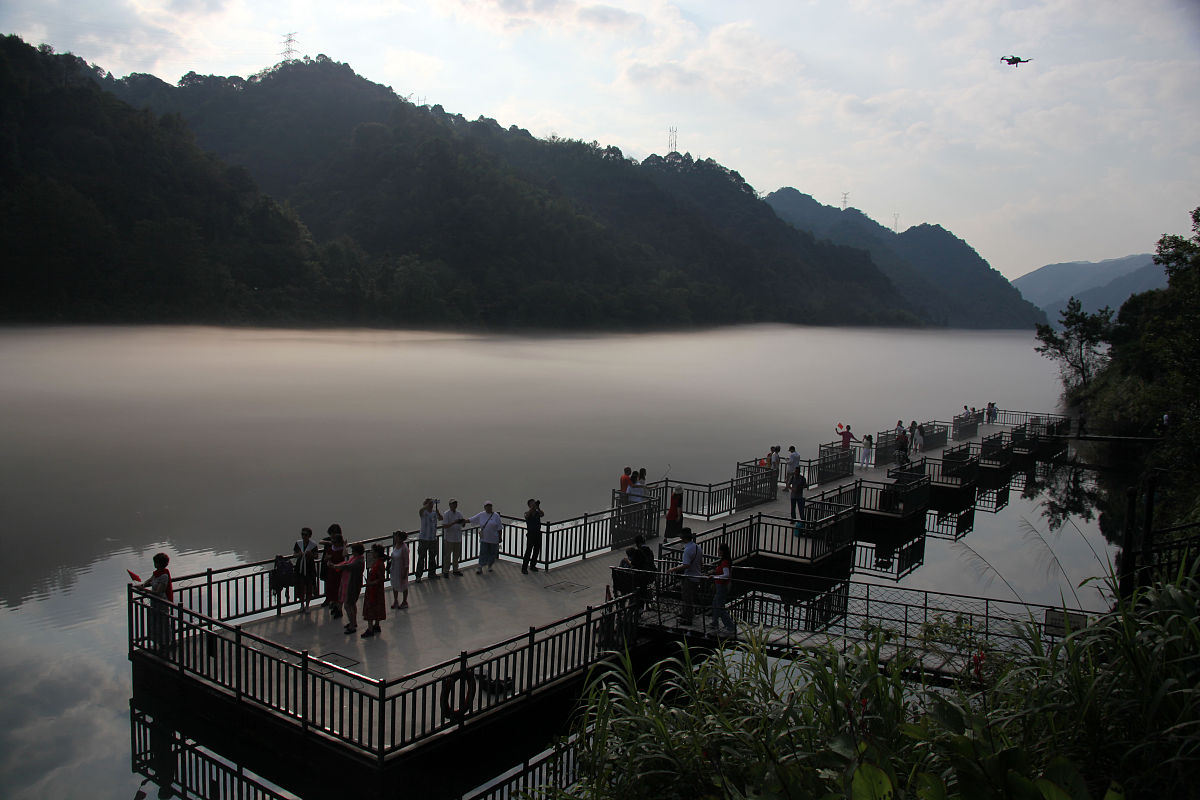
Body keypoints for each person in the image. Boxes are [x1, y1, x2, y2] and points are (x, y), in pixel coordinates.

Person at [140, 552, 174, 651]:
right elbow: (151, 579)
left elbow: (158, 592)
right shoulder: (157, 573)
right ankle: (160, 643)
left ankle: (167, 643)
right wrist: (144, 584)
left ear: (159, 563)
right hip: (155, 602)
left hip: (161, 602)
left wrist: (144, 590)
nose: (154, 564)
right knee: (156, 622)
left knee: (163, 623)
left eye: (155, 562)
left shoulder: (164, 576)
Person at [669, 528, 702, 626]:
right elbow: (701, 563)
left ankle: (687, 619)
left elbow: (686, 565)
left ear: (683, 538)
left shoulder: (687, 550)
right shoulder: (697, 547)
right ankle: (687, 613)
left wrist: (674, 569)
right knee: (691, 597)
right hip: (697, 576)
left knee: (686, 597)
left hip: (689, 576)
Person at [331, 543, 365, 634]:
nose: (352, 552)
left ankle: (352, 626)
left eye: (353, 551)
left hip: (352, 585)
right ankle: (353, 622)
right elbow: (346, 562)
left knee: (347, 605)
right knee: (352, 605)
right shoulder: (356, 558)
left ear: (357, 552)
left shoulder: (358, 562)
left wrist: (334, 566)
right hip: (352, 584)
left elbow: (347, 566)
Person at [469, 501, 503, 574]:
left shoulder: (496, 516)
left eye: (490, 506)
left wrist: (500, 537)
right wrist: (462, 521)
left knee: (492, 553)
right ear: (484, 507)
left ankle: (490, 565)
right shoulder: (481, 514)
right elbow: (472, 519)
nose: (489, 507)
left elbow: (499, 528)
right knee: (483, 552)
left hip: (494, 539)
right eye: (487, 506)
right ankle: (480, 567)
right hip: (484, 538)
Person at [709, 542, 736, 635]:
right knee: (715, 603)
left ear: (722, 551)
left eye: (719, 550)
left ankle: (730, 626)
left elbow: (726, 574)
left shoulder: (724, 562)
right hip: (720, 585)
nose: (718, 551)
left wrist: (715, 577)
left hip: (721, 586)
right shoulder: (725, 561)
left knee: (720, 606)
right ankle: (714, 622)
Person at [361, 544, 387, 638]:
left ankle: (370, 629)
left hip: (374, 590)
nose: (371, 553)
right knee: (376, 607)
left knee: (371, 608)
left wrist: (371, 583)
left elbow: (381, 578)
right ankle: (376, 625)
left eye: (373, 551)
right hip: (375, 590)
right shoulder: (377, 562)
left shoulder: (379, 564)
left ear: (376, 553)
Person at [416, 497, 442, 582]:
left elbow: (441, 518)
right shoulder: (423, 512)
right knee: (421, 558)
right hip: (423, 539)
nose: (431, 505)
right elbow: (420, 510)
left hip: (432, 539)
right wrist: (427, 504)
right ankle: (418, 576)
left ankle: (432, 574)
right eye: (430, 503)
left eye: (432, 503)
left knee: (432, 557)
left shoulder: (434, 512)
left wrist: (438, 512)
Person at [293, 527, 319, 612]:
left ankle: (307, 605)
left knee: (309, 587)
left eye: (305, 535)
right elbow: (294, 554)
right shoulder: (298, 543)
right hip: (300, 568)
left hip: (309, 568)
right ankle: (301, 605)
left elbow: (316, 556)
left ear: (309, 536)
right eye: (302, 534)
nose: (303, 536)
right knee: (300, 587)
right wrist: (299, 554)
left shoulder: (313, 545)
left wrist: (311, 555)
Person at [322, 525, 346, 618]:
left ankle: (339, 609)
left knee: (339, 591)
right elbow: (326, 559)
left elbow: (345, 555)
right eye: (333, 542)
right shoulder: (330, 549)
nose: (334, 544)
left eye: (335, 542)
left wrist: (344, 546)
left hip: (339, 573)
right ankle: (335, 606)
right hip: (332, 573)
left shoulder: (342, 550)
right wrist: (328, 559)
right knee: (332, 590)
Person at [441, 499, 466, 577]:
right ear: (450, 505)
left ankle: (455, 570)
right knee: (447, 556)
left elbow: (463, 525)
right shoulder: (446, 514)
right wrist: (454, 522)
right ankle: (446, 571)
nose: (454, 505)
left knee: (456, 555)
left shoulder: (459, 513)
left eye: (455, 504)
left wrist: (463, 522)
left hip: (458, 538)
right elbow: (445, 526)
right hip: (449, 538)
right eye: (453, 504)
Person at [522, 498, 544, 574]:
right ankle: (524, 568)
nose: (534, 504)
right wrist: (532, 508)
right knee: (528, 551)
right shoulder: (527, 513)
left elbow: (542, 514)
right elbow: (527, 516)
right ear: (529, 505)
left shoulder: (538, 512)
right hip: (531, 534)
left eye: (534, 503)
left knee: (536, 550)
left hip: (538, 533)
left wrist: (538, 508)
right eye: (532, 503)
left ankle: (533, 566)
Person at [389, 530, 410, 609]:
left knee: (404, 585)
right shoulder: (396, 545)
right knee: (394, 585)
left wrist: (405, 573)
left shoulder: (404, 548)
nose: (396, 538)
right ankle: (395, 601)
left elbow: (407, 562)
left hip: (401, 570)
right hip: (394, 569)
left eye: (397, 537)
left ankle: (405, 601)